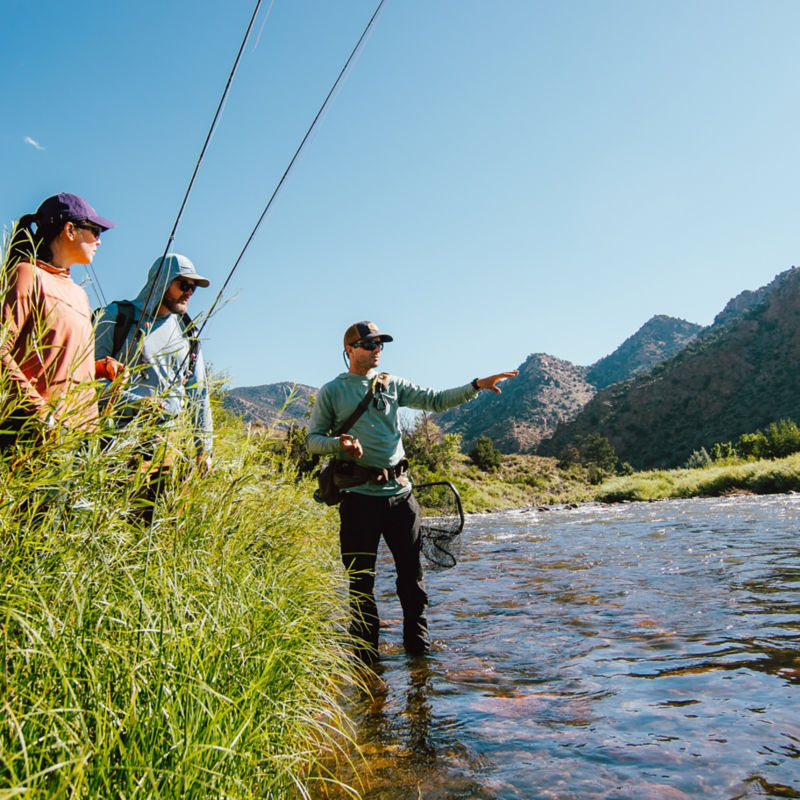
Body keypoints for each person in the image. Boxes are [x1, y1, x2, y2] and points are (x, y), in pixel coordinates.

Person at [307, 320, 518, 663]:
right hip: (358, 499)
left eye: (380, 344)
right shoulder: (332, 391)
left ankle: (418, 655)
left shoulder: (392, 384)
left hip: (401, 498)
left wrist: (476, 385)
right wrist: (338, 444)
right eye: (369, 344)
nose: (377, 349)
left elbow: (435, 400)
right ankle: (365, 660)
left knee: (412, 579)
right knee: (361, 582)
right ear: (350, 350)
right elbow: (312, 440)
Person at [0, 193, 116, 449]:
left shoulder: (79, 294)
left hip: (78, 439)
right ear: (70, 230)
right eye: (95, 231)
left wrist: (100, 368)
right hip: (32, 436)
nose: (99, 241)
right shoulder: (26, 275)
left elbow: (58, 362)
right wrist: (40, 412)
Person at [94, 254, 213, 472]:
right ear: (162, 281)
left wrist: (204, 448)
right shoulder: (116, 316)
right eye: (184, 284)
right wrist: (136, 403)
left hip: (166, 450)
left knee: (156, 507)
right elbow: (85, 380)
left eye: (193, 288)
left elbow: (199, 395)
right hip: (112, 444)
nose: (189, 293)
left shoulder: (188, 334)